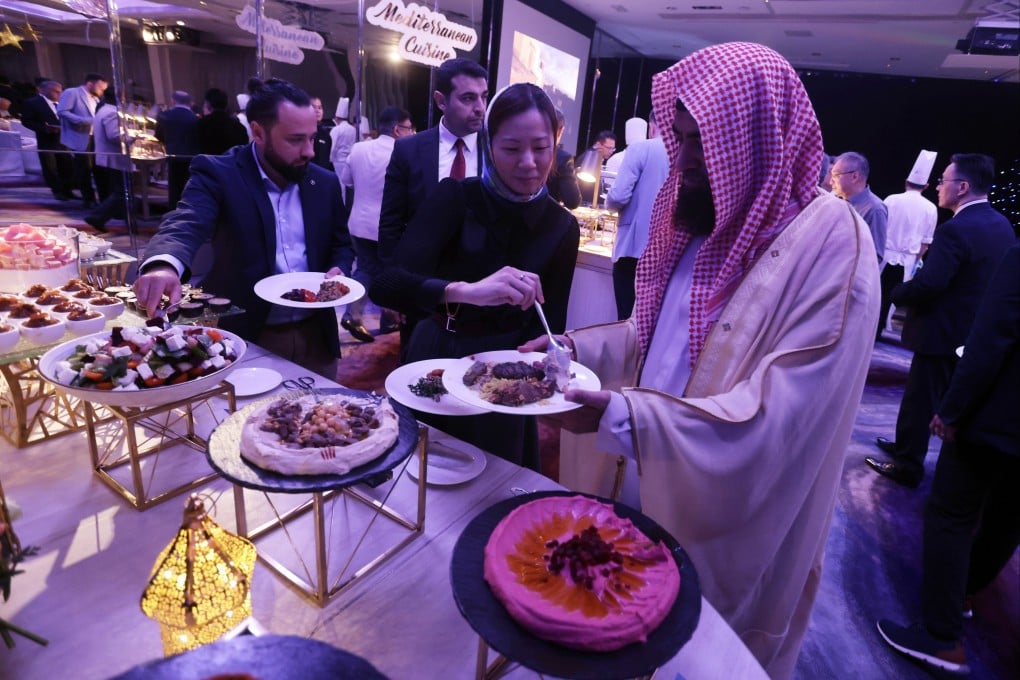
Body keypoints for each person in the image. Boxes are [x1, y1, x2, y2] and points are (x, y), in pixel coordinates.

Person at [524, 43, 880, 678]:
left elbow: (783, 420)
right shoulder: (700, 215)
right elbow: (653, 339)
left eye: (701, 143)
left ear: (756, 141)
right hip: (638, 476)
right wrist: (574, 351)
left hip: (721, 518)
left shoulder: (834, 245)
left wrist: (624, 418)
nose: (683, 161)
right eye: (680, 139)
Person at [371, 83, 579, 470]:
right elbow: (386, 284)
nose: (529, 163)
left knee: (494, 479)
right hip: (438, 353)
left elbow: (550, 324)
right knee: (419, 472)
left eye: (541, 147)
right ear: (488, 144)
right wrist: (465, 291)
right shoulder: (456, 197)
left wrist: (554, 358)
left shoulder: (562, 226)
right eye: (512, 148)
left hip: (506, 374)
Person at [133, 78, 355, 380]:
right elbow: (186, 221)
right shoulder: (220, 173)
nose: (309, 152)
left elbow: (341, 243)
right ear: (258, 132)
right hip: (251, 336)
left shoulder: (324, 182)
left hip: (317, 336)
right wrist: (163, 265)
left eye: (312, 138)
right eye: (295, 140)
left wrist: (339, 269)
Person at [877, 243, 1020, 676]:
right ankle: (962, 595)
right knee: (1007, 518)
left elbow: (992, 335)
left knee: (950, 513)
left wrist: (953, 409)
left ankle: (941, 636)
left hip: (998, 415)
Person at [866, 153, 1015, 488]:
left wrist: (894, 292)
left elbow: (931, 284)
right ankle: (906, 446)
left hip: (940, 330)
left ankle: (907, 465)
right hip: (970, 332)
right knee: (936, 398)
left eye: (943, 180)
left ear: (962, 187)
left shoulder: (956, 229)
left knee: (920, 399)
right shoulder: (1001, 225)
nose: (937, 187)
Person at [377, 57, 489, 357]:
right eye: (468, 98)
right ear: (441, 101)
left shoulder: (495, 150)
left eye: (484, 96)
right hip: (420, 285)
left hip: (480, 289)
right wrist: (393, 287)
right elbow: (391, 223)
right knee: (416, 366)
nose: (480, 107)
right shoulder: (409, 149)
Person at [338, 106, 413, 342]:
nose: (412, 133)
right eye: (409, 128)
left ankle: (368, 316)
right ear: (397, 129)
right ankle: (374, 319)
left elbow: (347, 181)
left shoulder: (359, 148)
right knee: (386, 273)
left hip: (358, 221)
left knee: (366, 268)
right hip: (388, 226)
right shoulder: (404, 152)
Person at [604, 110, 668, 319]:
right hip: (666, 253)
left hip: (633, 250)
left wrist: (608, 204)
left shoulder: (641, 149)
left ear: (652, 126)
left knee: (626, 319)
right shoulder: (684, 153)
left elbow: (618, 196)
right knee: (650, 321)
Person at [878, 150, 938, 340]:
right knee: (893, 297)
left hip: (884, 254)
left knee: (875, 292)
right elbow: (925, 243)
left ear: (906, 182)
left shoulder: (891, 199)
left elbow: (879, 230)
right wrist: (916, 262)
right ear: (926, 186)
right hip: (908, 259)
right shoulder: (930, 208)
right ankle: (882, 327)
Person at [84, 88, 134, 233]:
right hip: (114, 157)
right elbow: (114, 136)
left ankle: (127, 220)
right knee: (122, 191)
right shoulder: (112, 112)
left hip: (109, 156)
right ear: (120, 98)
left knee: (122, 191)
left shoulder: (103, 110)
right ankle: (97, 217)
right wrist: (134, 138)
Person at [57, 72, 108, 208]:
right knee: (84, 169)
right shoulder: (72, 92)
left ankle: (103, 198)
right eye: (100, 88)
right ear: (90, 84)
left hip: (96, 137)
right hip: (80, 135)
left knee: (99, 169)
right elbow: (62, 112)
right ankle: (88, 199)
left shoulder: (97, 99)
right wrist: (84, 121)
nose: (102, 92)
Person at [20, 79, 74, 201]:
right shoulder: (33, 103)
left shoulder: (64, 102)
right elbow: (26, 121)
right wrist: (44, 128)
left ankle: (68, 190)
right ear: (43, 90)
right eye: (55, 91)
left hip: (64, 139)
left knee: (67, 166)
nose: (59, 94)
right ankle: (57, 190)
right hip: (46, 140)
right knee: (50, 167)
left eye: (60, 91)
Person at [831, 151, 887, 264]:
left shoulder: (875, 209)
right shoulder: (834, 199)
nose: (830, 181)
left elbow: (876, 256)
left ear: (854, 177)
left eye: (836, 176)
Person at [155, 90, 200, 211]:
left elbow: (158, 136)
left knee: (174, 188)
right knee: (188, 187)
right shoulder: (195, 118)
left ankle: (174, 213)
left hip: (172, 156)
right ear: (190, 102)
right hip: (191, 157)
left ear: (173, 101)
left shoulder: (164, 116)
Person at [195, 87, 249, 155]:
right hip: (232, 161)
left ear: (208, 104)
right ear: (226, 105)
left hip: (207, 161)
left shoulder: (201, 125)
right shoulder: (239, 127)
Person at [545, 108, 581, 210]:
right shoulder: (563, 158)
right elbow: (572, 202)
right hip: (546, 215)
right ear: (561, 130)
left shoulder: (519, 151)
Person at [309, 96, 333, 171]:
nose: (317, 111)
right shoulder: (303, 133)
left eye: (320, 108)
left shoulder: (326, 135)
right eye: (314, 107)